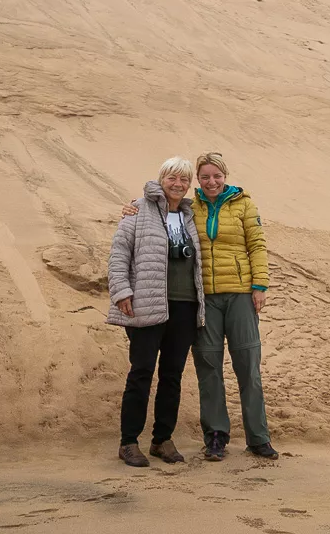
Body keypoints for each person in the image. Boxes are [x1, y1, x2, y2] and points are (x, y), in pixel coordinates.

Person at [123, 151, 278, 460]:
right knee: (208, 368)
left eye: (216, 176)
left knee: (247, 366)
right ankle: (216, 436)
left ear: (225, 176)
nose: (211, 182)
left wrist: (259, 286)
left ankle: (258, 437)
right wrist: (131, 209)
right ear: (198, 180)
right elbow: (155, 212)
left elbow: (257, 245)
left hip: (240, 294)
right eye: (204, 177)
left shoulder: (244, 205)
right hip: (204, 298)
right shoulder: (190, 208)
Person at [107, 156, 206, 467]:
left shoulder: (190, 214)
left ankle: (162, 439)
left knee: (172, 376)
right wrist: (121, 291)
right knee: (141, 372)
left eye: (184, 179)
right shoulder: (139, 209)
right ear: (162, 179)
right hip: (147, 303)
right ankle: (128, 442)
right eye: (172, 178)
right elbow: (119, 252)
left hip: (184, 306)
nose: (178, 184)